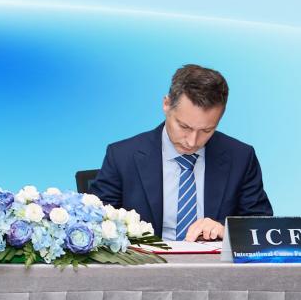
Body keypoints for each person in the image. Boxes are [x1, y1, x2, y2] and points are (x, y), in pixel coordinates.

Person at [89, 64, 273, 241]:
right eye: (185, 126)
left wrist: (227, 231)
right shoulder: (122, 156)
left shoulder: (241, 157)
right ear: (166, 104)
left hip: (214, 262)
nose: (192, 142)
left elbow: (263, 227)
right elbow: (94, 222)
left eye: (206, 130)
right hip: (146, 261)